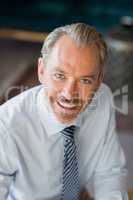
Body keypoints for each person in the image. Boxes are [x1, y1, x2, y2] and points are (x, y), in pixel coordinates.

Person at [0, 23, 128, 200]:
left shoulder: (103, 98)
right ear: (42, 70)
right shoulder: (6, 126)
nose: (69, 94)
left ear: (99, 80)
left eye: (85, 80)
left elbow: (109, 172)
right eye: (60, 76)